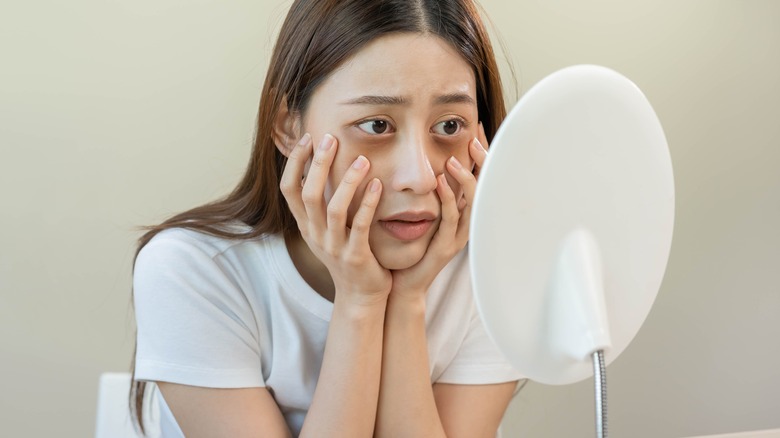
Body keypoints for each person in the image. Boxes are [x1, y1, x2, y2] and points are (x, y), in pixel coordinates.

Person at [130, 0, 523, 436]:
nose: (420, 177)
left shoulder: (494, 275)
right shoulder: (195, 270)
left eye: (450, 126)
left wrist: (407, 301)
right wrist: (361, 300)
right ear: (289, 128)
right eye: (376, 125)